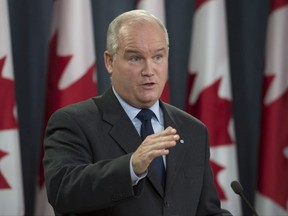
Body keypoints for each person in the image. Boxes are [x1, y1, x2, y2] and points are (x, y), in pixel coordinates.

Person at [43, 9, 232, 216]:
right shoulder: (74, 122)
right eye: (135, 58)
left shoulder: (192, 130)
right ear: (109, 62)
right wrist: (132, 167)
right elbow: (63, 192)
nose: (149, 70)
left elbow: (206, 210)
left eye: (158, 56)